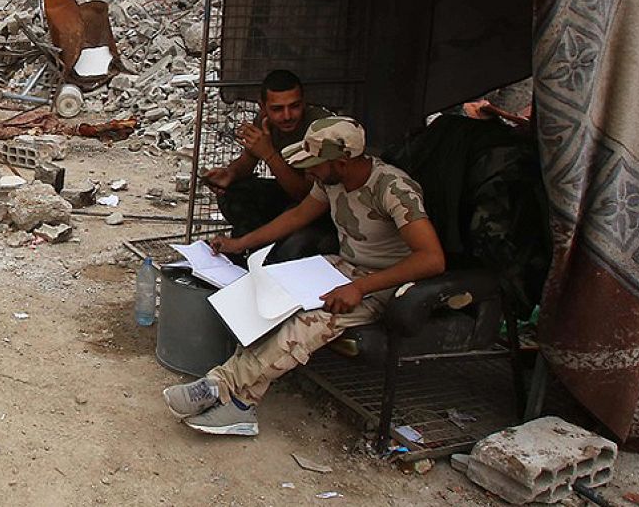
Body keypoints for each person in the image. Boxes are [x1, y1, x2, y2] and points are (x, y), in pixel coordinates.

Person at [163, 116, 445, 436]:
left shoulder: (393, 188)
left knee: (306, 324)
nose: (308, 172)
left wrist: (360, 287)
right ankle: (241, 406)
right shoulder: (331, 180)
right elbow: (297, 216)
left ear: (341, 162)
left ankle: (219, 386)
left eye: (314, 164)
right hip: (340, 267)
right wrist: (239, 243)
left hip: (383, 283)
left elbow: (432, 259)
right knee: (268, 300)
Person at [202, 70, 332, 236]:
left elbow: (305, 194)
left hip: (317, 205)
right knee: (234, 193)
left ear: (304, 103)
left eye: (294, 106)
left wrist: (269, 154)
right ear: (263, 107)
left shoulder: (319, 128)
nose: (287, 116)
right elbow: (247, 160)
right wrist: (230, 174)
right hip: (288, 195)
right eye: (277, 109)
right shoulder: (264, 120)